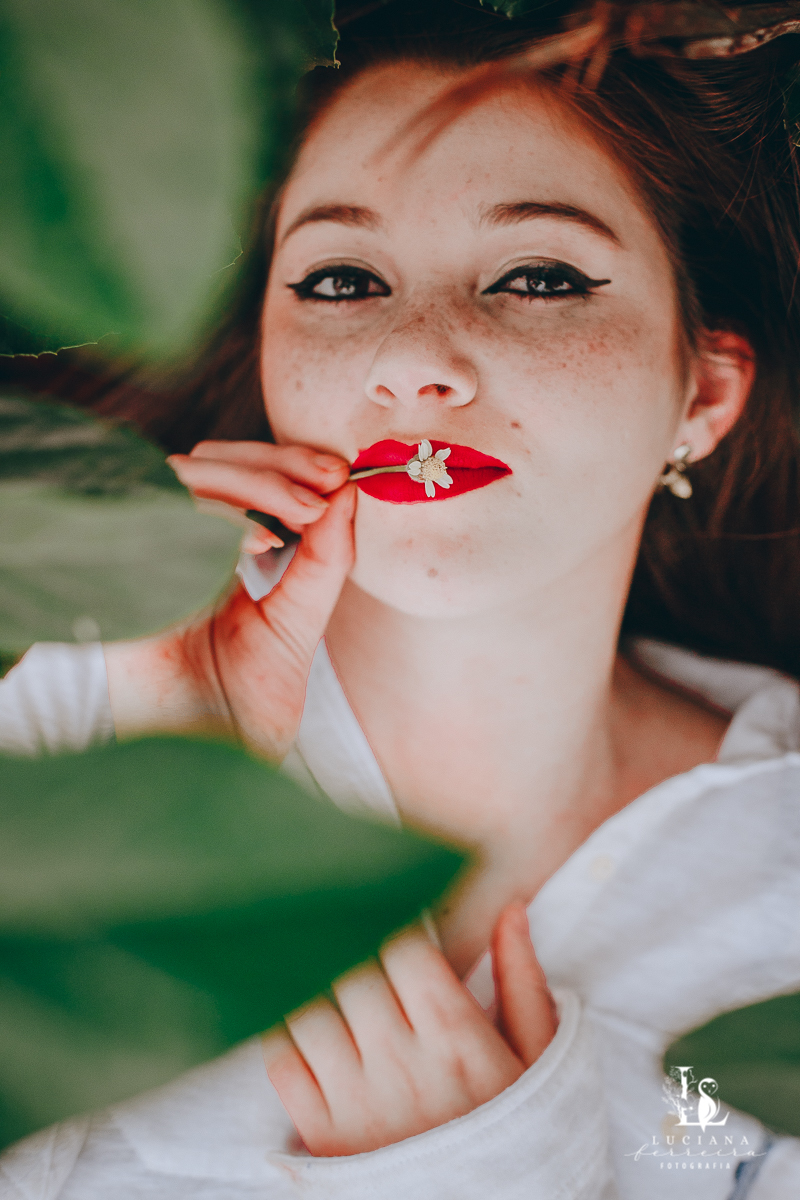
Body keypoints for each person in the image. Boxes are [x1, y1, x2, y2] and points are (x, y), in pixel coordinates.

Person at [2, 0, 800, 1195]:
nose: (412, 359)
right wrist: (161, 760)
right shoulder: (49, 703)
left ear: (700, 393)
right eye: (338, 279)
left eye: (535, 276)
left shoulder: (776, 878)